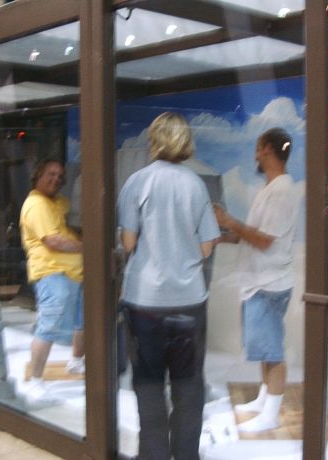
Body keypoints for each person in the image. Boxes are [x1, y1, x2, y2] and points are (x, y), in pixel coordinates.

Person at [118, 112, 220, 460]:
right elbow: (207, 246)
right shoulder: (196, 184)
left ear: (154, 140)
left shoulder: (137, 182)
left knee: (148, 387)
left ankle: (154, 454)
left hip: (143, 302)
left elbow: (128, 242)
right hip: (189, 301)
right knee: (188, 387)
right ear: (185, 141)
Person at [214, 127, 299, 432]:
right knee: (265, 348)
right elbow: (252, 236)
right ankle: (264, 400)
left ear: (266, 149)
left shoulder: (281, 191)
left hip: (268, 283)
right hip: (260, 282)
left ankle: (270, 414)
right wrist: (221, 236)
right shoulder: (271, 189)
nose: (255, 154)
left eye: (257, 148)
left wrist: (229, 222)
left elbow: (264, 240)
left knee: (272, 351)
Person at [19, 158, 85, 406]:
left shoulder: (57, 202)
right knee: (47, 326)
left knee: (82, 321)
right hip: (52, 273)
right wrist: (88, 247)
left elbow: (74, 211)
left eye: (60, 176)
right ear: (37, 175)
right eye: (51, 174)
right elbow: (53, 241)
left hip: (74, 274)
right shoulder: (36, 204)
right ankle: (36, 381)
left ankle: (76, 362)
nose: (56, 179)